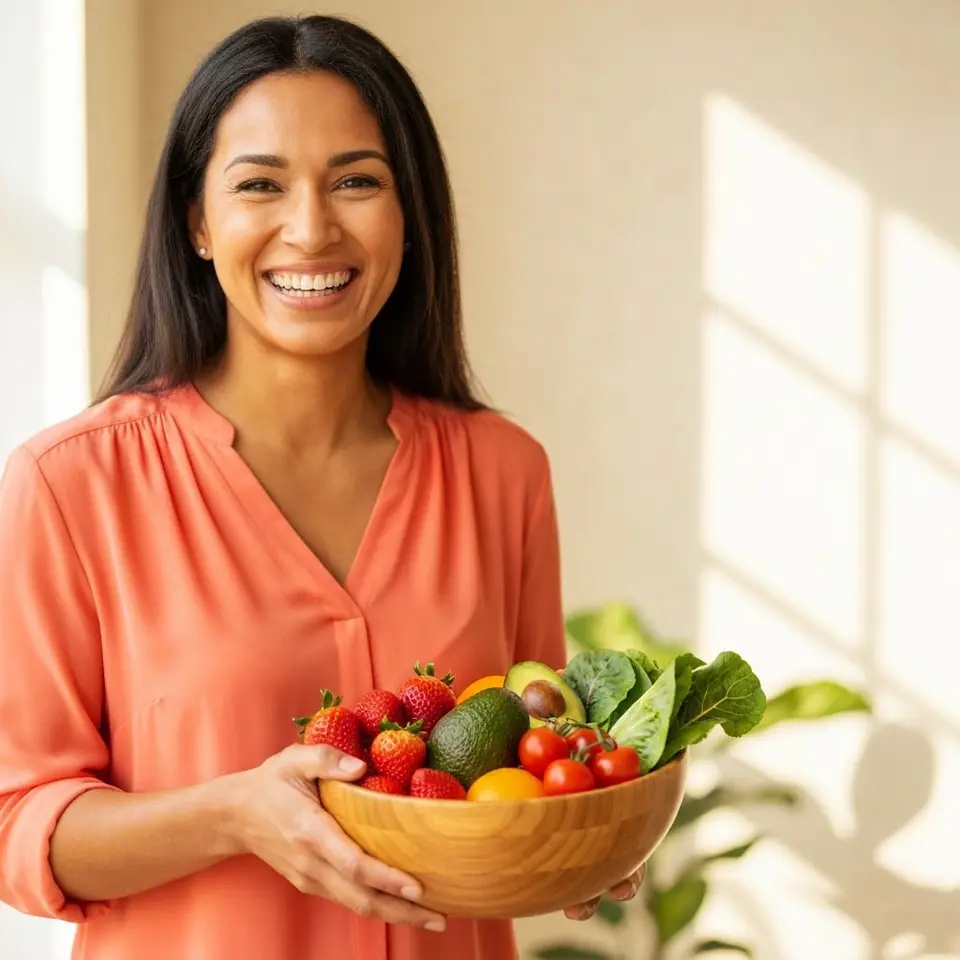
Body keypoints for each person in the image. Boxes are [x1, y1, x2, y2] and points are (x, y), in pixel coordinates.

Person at [0, 14, 644, 960]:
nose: (311, 227)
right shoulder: (71, 484)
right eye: (260, 184)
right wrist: (233, 813)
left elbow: (533, 749)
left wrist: (583, 831)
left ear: (410, 215)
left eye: (357, 181)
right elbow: (19, 824)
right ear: (198, 222)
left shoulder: (505, 471)